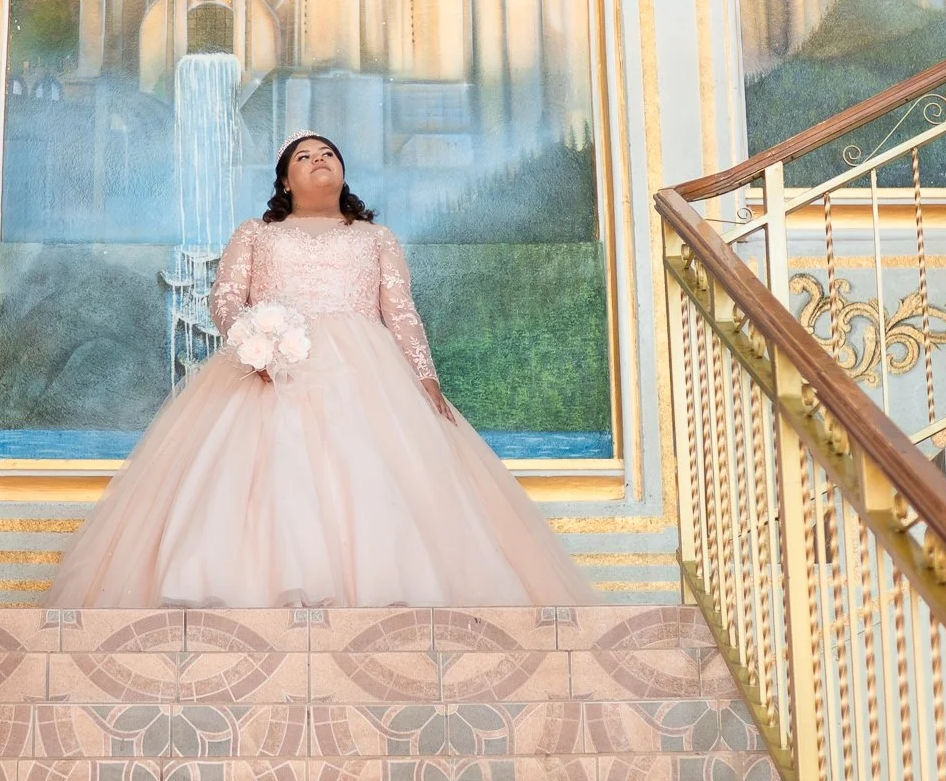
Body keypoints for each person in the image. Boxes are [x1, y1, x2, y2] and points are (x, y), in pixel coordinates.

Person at [47, 132, 595, 609]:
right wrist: (254, 342)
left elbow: (401, 312)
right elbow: (225, 299)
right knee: (269, 471)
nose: (319, 160)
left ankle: (376, 583)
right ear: (285, 180)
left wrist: (425, 379)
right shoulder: (255, 234)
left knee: (370, 469)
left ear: (342, 171)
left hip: (366, 368)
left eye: (328, 153)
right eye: (304, 156)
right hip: (271, 367)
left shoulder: (376, 238)